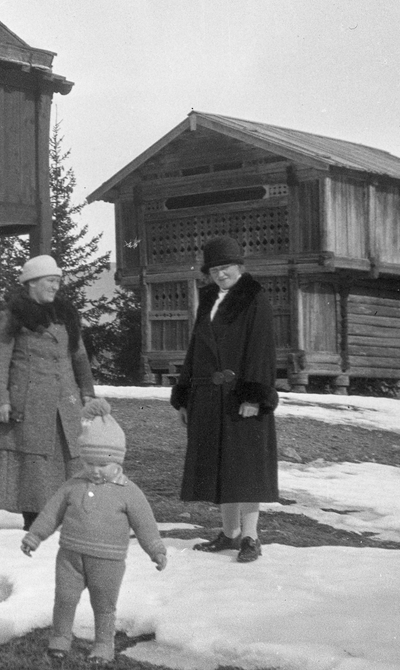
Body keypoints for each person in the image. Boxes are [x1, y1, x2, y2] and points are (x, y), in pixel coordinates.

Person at [21, 414, 168, 665]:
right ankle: (60, 639)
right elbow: (51, 513)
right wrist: (35, 536)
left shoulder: (129, 492)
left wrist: (156, 549)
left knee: (104, 605)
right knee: (65, 598)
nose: (94, 470)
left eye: (102, 464)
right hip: (69, 555)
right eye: (89, 462)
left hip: (108, 561)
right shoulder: (73, 484)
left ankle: (103, 645)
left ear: (117, 462)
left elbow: (145, 524)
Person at [170, 235, 279, 563]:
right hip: (208, 397)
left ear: (240, 267)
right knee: (221, 467)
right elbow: (195, 350)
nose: (221, 274)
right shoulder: (208, 300)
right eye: (215, 269)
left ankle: (251, 537)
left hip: (240, 399)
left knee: (245, 470)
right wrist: (185, 395)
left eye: (226, 267)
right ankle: (229, 535)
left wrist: (253, 396)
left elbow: (261, 350)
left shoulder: (253, 298)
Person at [0, 254, 111, 531]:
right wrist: (2, 399)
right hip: (30, 401)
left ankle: (69, 514)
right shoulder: (11, 316)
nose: (55, 286)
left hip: (65, 398)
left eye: (58, 281)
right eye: (50, 281)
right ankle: (33, 519)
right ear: (32, 282)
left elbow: (79, 356)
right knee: (34, 460)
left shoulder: (65, 314)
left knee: (69, 455)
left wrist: (88, 392)